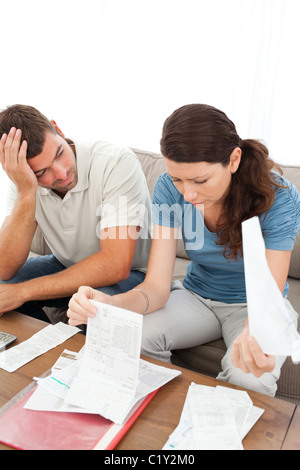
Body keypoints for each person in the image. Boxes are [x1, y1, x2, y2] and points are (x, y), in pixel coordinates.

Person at [67, 104, 300, 396]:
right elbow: (155, 288)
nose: (188, 194)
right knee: (134, 339)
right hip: (196, 295)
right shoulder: (167, 188)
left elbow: (268, 296)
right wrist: (109, 306)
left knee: (250, 379)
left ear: (234, 159)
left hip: (253, 305)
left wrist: (254, 332)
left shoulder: (279, 197)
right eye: (178, 179)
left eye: (200, 180)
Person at [0, 104, 151, 323]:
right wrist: (26, 193)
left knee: (96, 309)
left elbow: (115, 266)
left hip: (134, 274)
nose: (61, 173)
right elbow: (5, 268)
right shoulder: (24, 181)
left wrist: (23, 291)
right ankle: (42, 349)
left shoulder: (115, 161)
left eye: (60, 153)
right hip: (66, 266)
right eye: (41, 172)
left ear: (57, 129)